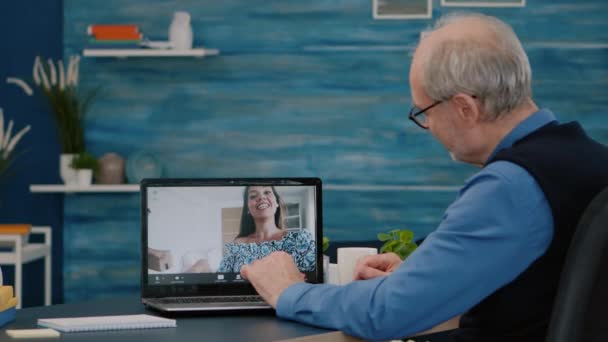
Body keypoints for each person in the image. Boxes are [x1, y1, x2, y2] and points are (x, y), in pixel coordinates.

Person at [239, 12, 608, 342]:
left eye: (425, 111)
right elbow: (542, 281)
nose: (427, 125)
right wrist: (424, 279)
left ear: (465, 107)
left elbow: (382, 315)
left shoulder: (511, 187)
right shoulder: (590, 156)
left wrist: (287, 292)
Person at [218, 185, 316, 273]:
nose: (261, 197)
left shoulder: (300, 240)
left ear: (277, 202)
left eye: (267, 192)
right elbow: (223, 281)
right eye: (253, 196)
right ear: (248, 208)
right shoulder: (237, 245)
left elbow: (312, 282)